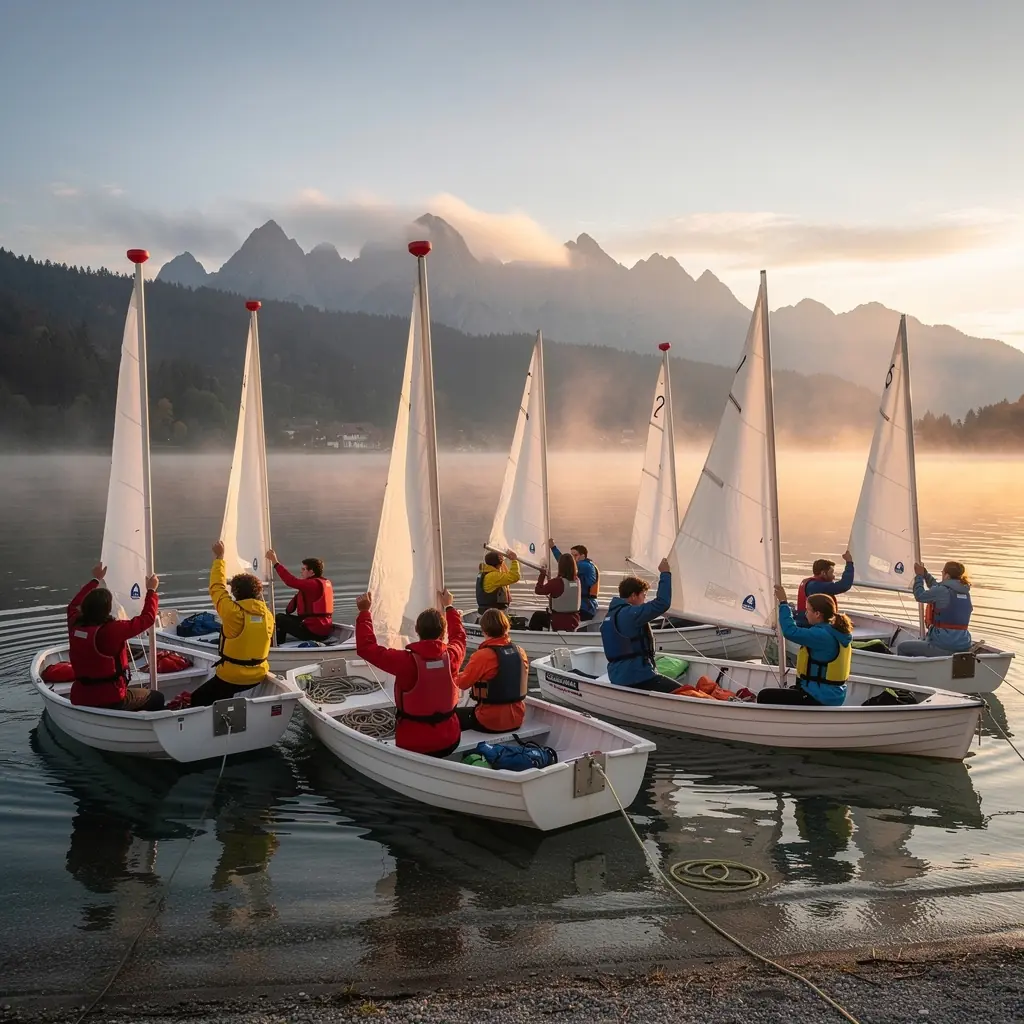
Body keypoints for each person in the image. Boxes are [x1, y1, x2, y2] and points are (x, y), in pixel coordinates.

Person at [355, 588, 467, 757]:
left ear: (416, 630)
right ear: (443, 632)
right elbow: (459, 636)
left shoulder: (405, 662)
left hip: (413, 745)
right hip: (450, 741)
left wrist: (364, 612)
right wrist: (449, 607)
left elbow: (366, 648)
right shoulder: (453, 656)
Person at [67, 563, 165, 711]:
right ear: (107, 610)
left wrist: (95, 580)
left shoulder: (74, 623)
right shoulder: (112, 630)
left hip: (81, 697)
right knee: (157, 698)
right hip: (111, 699)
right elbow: (148, 619)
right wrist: (151, 591)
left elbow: (73, 605)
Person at [188, 541, 275, 708]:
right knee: (222, 691)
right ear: (258, 592)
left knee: (197, 698)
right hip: (258, 675)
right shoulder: (268, 615)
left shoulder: (233, 613)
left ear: (235, 592)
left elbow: (216, 587)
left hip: (232, 676)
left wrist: (219, 558)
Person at [757, 587, 852, 706]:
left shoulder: (821, 635)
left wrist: (783, 603)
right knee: (787, 692)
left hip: (819, 696)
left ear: (817, 614)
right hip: (831, 694)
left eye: (808, 610)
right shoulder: (833, 631)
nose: (805, 613)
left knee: (764, 696)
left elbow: (790, 631)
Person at [600, 558, 678, 693]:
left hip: (618, 676)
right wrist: (665, 573)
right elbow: (662, 603)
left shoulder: (611, 615)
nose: (644, 599)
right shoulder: (631, 614)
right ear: (633, 596)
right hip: (637, 677)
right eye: (644, 595)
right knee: (685, 692)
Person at [454, 609, 529, 733]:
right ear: (506, 627)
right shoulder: (520, 652)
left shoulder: (482, 656)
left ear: (484, 630)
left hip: (489, 721)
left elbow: (462, 684)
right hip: (517, 719)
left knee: (448, 717)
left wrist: (451, 675)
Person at [897, 561, 974, 657]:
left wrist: (919, 577)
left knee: (902, 647)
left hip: (943, 646)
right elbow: (936, 587)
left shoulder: (942, 591)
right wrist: (925, 574)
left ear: (947, 575)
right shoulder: (965, 592)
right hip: (963, 645)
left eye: (942, 572)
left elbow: (919, 595)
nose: (942, 574)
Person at [265, 549, 334, 645]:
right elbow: (289, 610)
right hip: (322, 629)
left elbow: (290, 581)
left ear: (312, 572)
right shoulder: (321, 583)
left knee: (279, 619)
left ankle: (276, 646)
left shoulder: (312, 584)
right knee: (282, 617)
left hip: (314, 632)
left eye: (304, 569)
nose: (301, 572)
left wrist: (275, 562)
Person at [794, 550, 854, 626]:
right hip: (810, 626)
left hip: (804, 623)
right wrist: (849, 562)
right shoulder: (818, 586)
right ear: (823, 573)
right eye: (831, 573)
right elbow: (844, 585)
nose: (834, 576)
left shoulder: (811, 584)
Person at [549, 540, 600, 620]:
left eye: (575, 555)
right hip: (582, 606)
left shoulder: (585, 566)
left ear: (583, 556)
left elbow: (565, 563)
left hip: (586, 608)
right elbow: (565, 563)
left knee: (557, 616)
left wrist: (553, 548)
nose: (572, 558)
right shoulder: (583, 565)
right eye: (571, 556)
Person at [534, 553, 582, 632]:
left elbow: (538, 590)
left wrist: (542, 575)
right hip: (574, 620)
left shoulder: (556, 582)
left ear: (560, 566)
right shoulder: (577, 580)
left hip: (558, 621)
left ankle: (536, 637)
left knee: (537, 616)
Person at [475, 549, 520, 615]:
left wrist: (502, 558)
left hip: (487, 612)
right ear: (499, 563)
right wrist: (514, 560)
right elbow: (514, 577)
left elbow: (504, 573)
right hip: (494, 614)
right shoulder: (493, 576)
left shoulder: (485, 573)